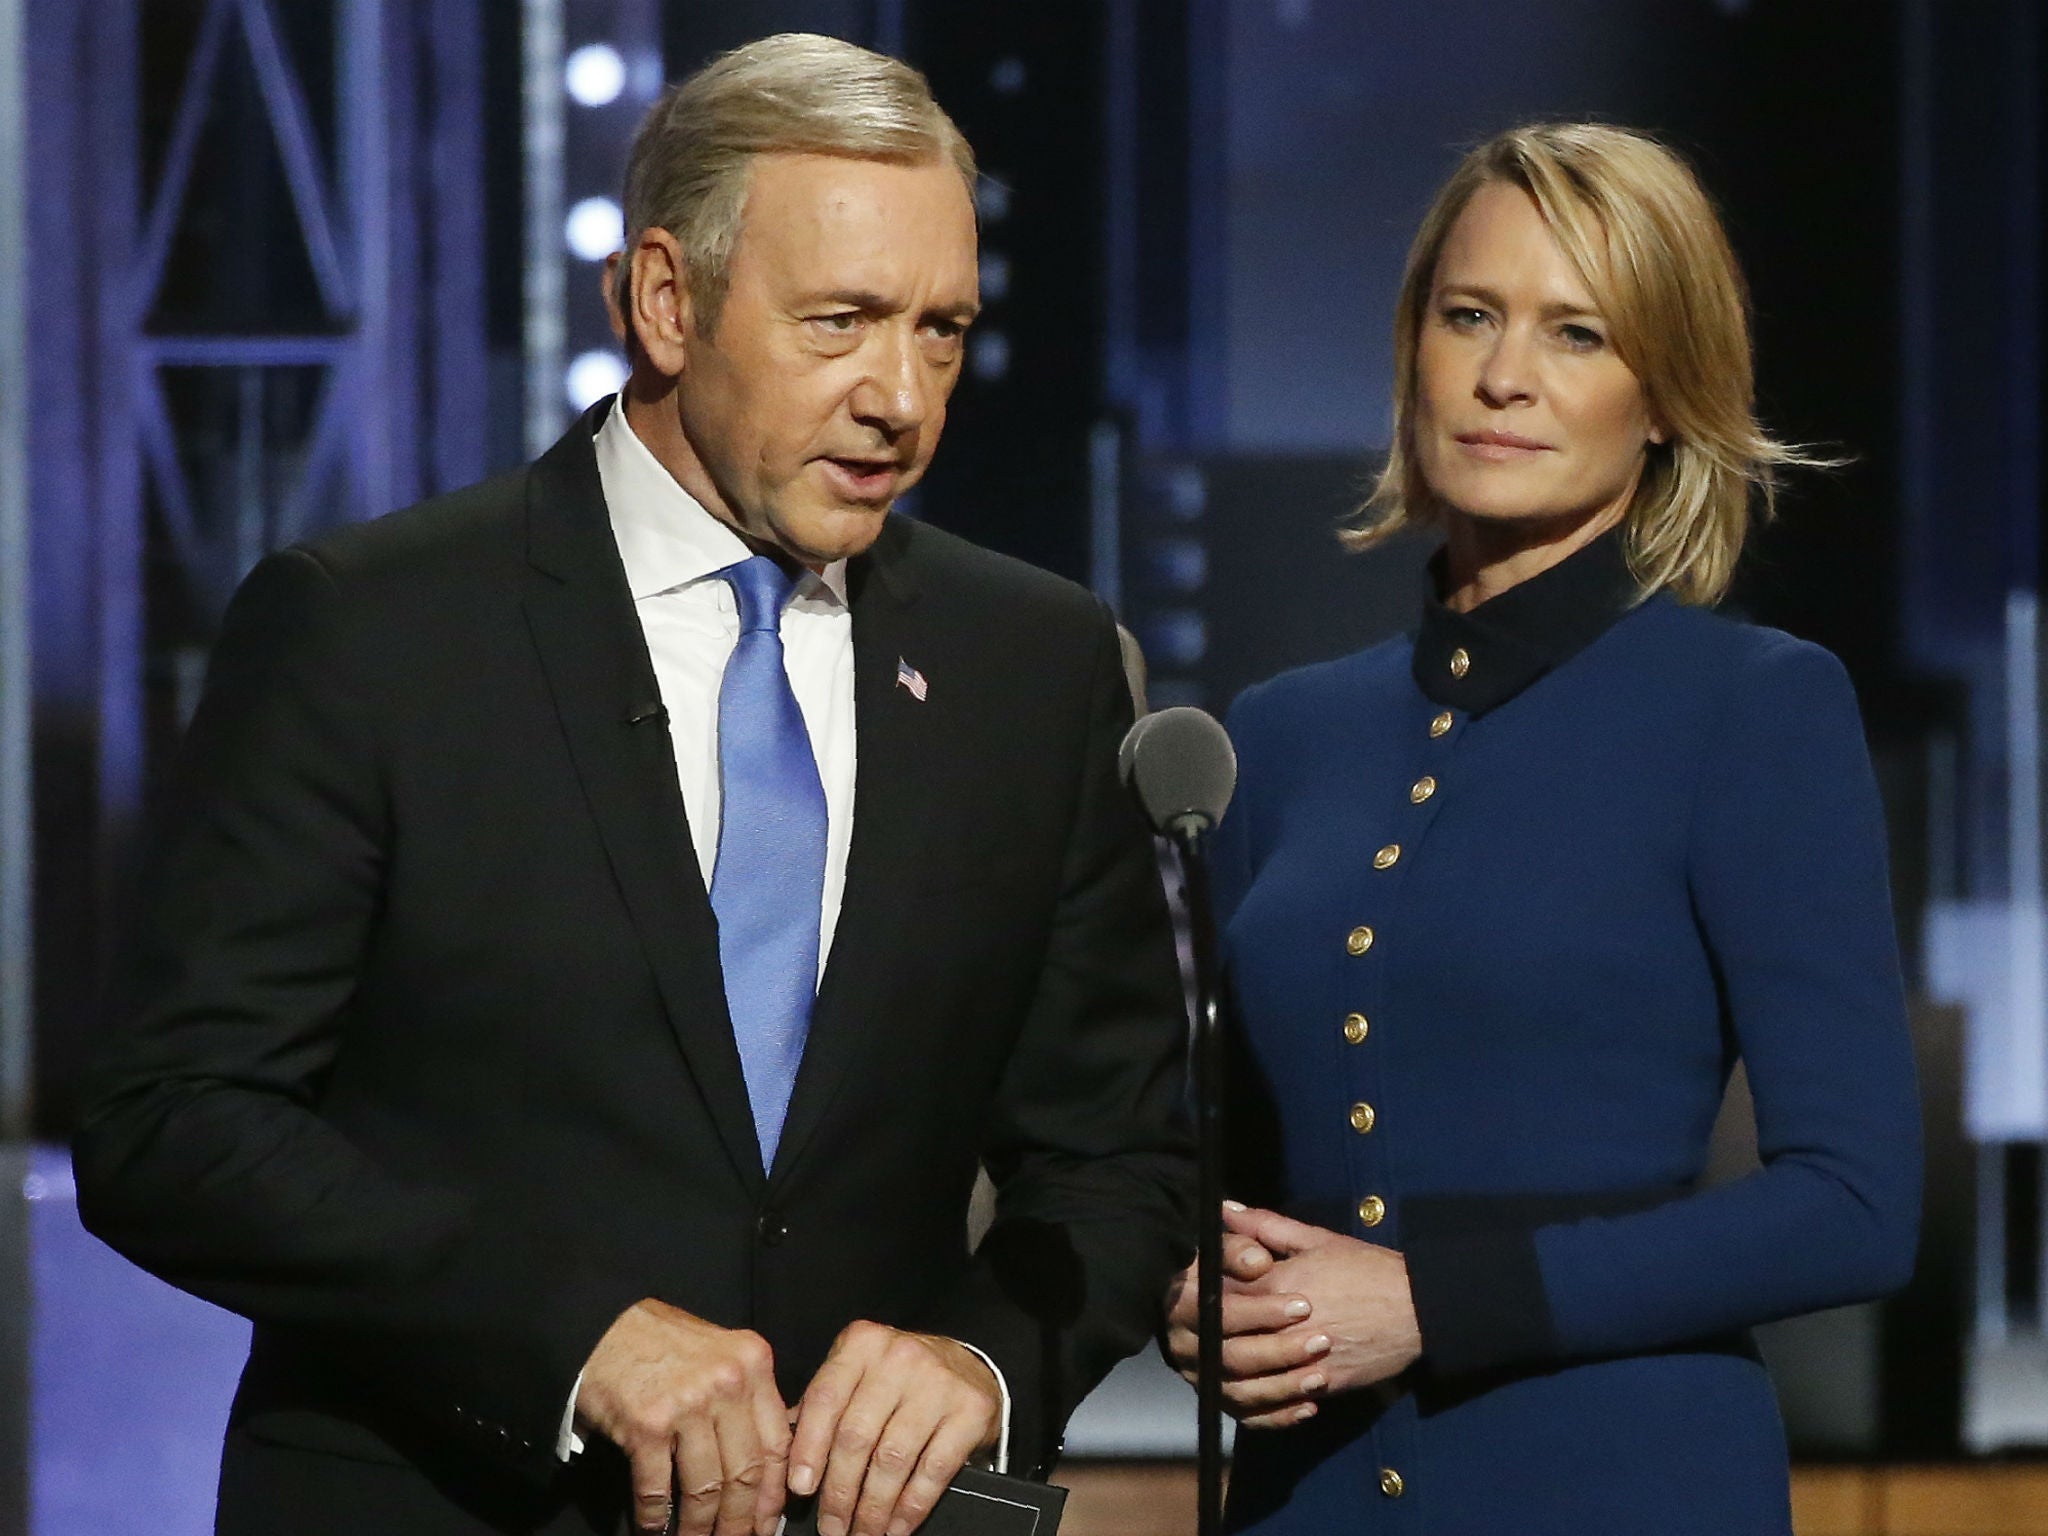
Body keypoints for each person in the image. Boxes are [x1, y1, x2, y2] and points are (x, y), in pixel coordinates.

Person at [73, 33, 1193, 1536]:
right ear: (668, 301)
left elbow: (1115, 1158)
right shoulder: (376, 629)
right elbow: (176, 1120)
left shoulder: (1035, 664)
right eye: (843, 322)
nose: (902, 398)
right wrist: (570, 1335)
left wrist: (985, 1363)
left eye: (940, 330)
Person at [1163, 122, 1920, 1534]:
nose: (1505, 375)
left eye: (1578, 333)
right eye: (1471, 317)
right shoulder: (1282, 732)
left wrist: (1430, 1304)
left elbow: (1856, 1202)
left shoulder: (1753, 709)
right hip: (1309, 1501)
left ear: (1665, 395)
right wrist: (1198, 1296)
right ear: (1413, 351)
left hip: (1617, 1487)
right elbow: (1222, 1168)